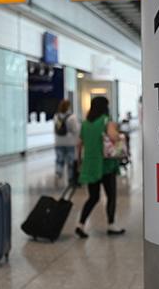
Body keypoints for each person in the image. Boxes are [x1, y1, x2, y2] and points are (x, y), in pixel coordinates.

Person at [75, 96, 125, 238]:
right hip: (106, 165)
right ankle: (111, 225)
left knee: (93, 197)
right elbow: (114, 137)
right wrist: (120, 135)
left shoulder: (85, 123)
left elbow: (79, 145)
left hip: (90, 165)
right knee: (111, 196)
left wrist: (79, 164)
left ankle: (81, 224)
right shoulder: (105, 120)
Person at [53, 100, 80, 186]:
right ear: (69, 107)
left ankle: (58, 173)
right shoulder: (72, 117)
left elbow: (55, 129)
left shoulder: (56, 116)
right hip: (70, 142)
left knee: (59, 159)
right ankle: (70, 178)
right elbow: (76, 130)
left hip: (58, 141)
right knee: (71, 161)